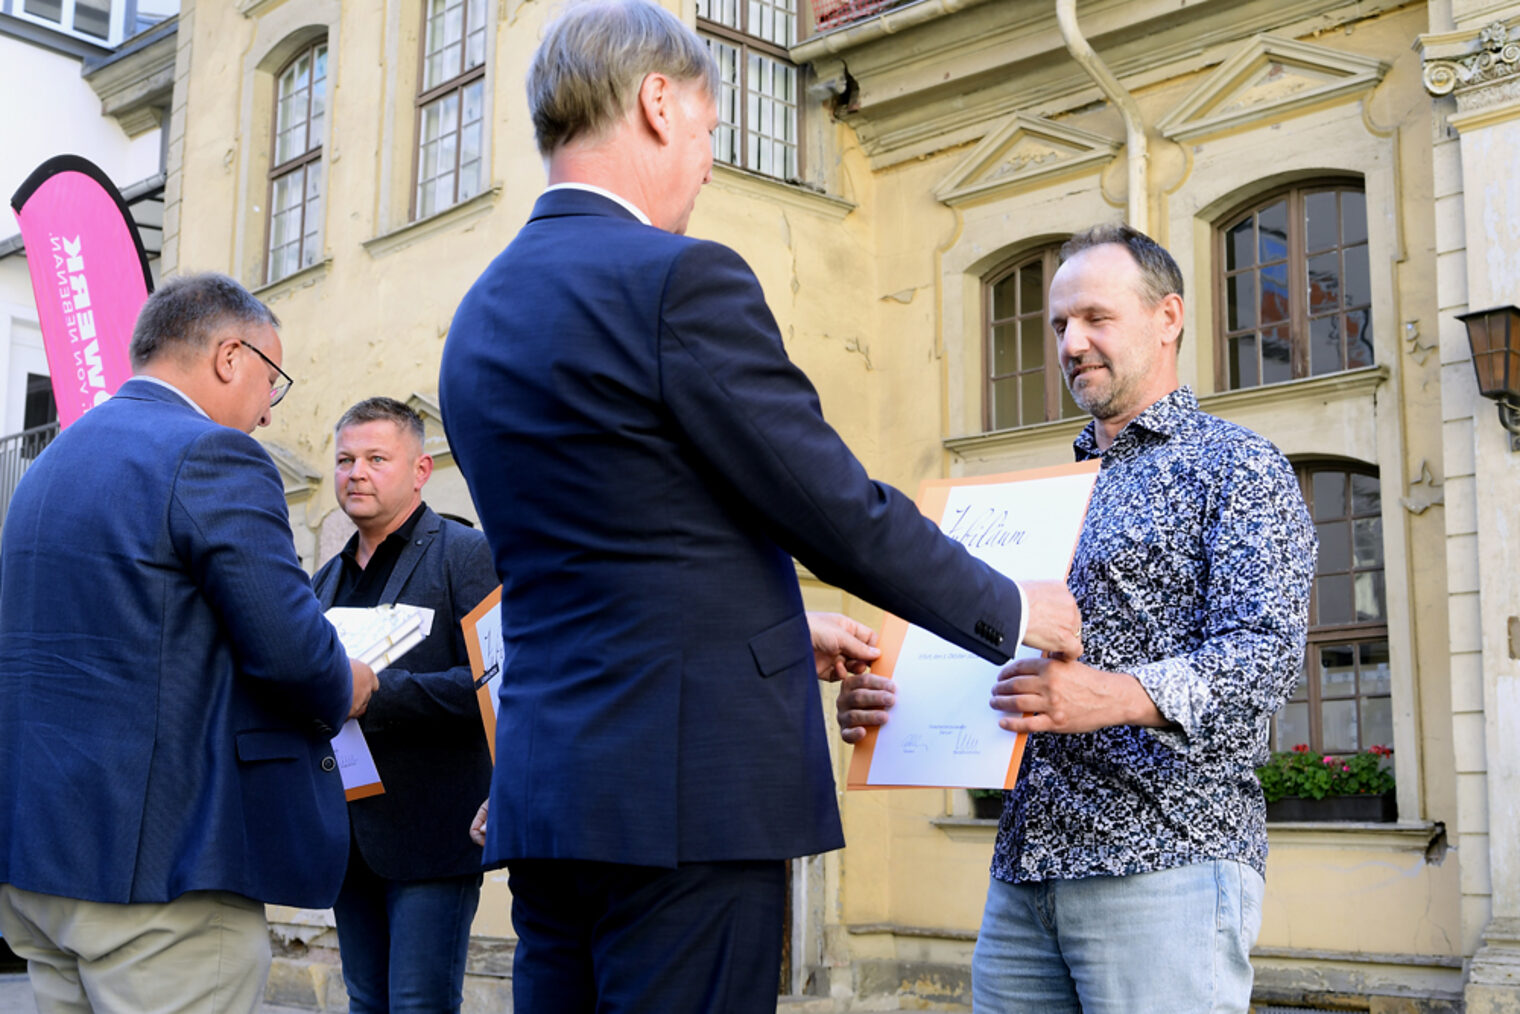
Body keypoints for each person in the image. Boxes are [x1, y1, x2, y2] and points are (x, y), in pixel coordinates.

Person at [436, 2, 1084, 1010]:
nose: (704, 161)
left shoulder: (478, 312)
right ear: (656, 103)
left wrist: (779, 622)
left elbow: (611, 541)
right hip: (686, 798)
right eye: (706, 129)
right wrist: (1007, 608)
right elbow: (825, 502)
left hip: (555, 791)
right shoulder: (674, 278)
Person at [838, 224, 1317, 1014]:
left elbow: (1265, 658)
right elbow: (977, 658)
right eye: (1059, 324)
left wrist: (1115, 695)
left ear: (1168, 317)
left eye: (1096, 317)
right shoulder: (1039, 495)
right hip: (1027, 870)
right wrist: (892, 701)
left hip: (1166, 864)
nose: (1071, 341)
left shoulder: (1238, 465)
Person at [0, 272, 377, 1014]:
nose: (269, 414)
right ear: (230, 357)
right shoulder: (211, 455)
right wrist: (349, 681)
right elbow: (293, 652)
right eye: (274, 381)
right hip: (162, 875)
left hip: (41, 857)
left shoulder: (46, 468)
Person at [310, 397, 497, 1014]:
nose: (355, 473)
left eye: (375, 458)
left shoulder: (465, 555)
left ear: (420, 471)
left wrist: (380, 693)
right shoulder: (325, 580)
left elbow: (498, 683)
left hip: (435, 831)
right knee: (365, 1000)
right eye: (344, 460)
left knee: (419, 1003)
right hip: (349, 834)